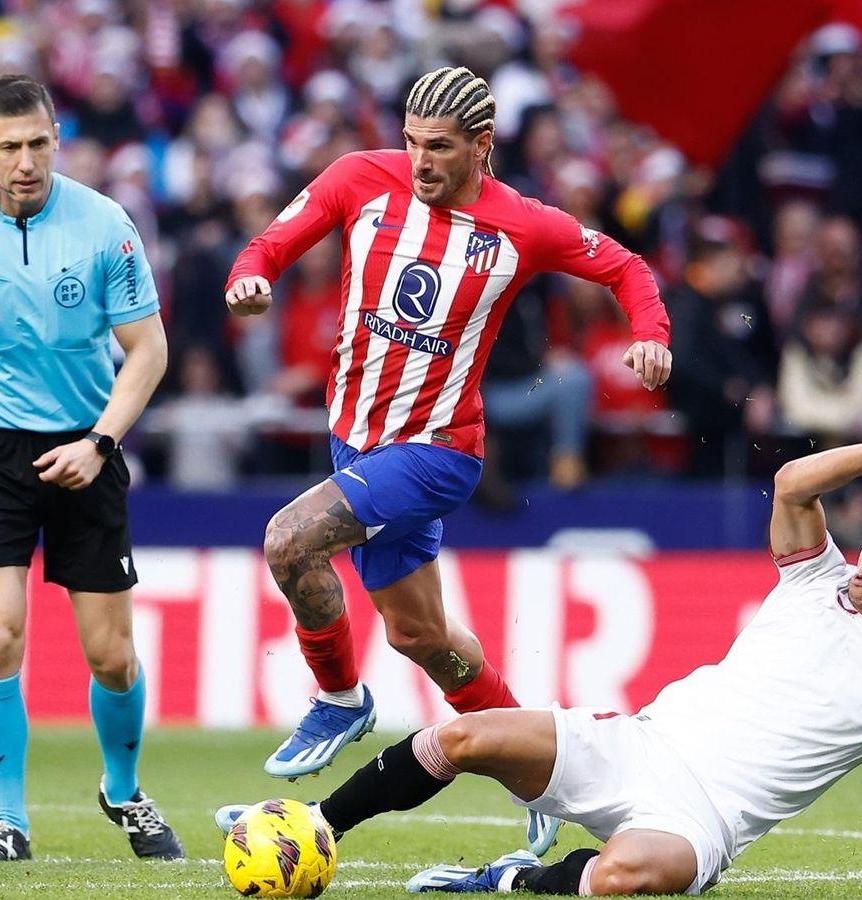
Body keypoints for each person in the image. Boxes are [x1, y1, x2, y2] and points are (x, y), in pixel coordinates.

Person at [217, 424, 862, 899]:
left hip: (701, 819)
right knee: (466, 737)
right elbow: (793, 484)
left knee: (626, 876)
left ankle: (516, 881)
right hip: (637, 744)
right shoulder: (815, 580)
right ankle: (314, 823)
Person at [222, 65, 672, 852]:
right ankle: (541, 773)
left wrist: (651, 336)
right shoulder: (358, 179)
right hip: (356, 440)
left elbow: (626, 267)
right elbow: (268, 246)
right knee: (421, 637)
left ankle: (339, 699)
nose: (420, 161)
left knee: (289, 541)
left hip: (436, 450)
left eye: (438, 147)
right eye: (411, 142)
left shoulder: (522, 224)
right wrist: (250, 279)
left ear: (481, 145)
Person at [0, 74, 181, 863]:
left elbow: (148, 349)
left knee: (111, 654)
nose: (27, 162)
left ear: (57, 140)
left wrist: (101, 443)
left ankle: (124, 790)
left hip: (86, 448)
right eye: (11, 147)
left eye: (40, 144)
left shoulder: (105, 226)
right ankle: (7, 821)